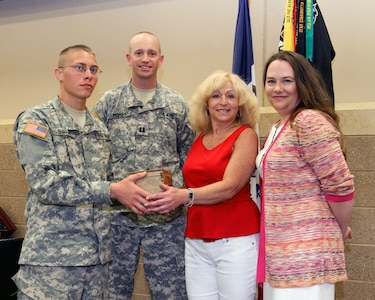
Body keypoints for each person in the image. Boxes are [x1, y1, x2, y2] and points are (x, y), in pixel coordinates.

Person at [12, 44, 151, 299]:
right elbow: (45, 183)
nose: (88, 75)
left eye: (94, 69)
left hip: (97, 263)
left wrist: (142, 196)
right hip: (52, 263)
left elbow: (108, 188)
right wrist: (112, 190)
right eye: (79, 68)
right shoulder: (37, 121)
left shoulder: (99, 127)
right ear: (59, 73)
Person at [92, 32, 194, 299]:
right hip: (118, 218)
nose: (145, 59)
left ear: (161, 59)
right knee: (112, 292)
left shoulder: (176, 104)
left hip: (166, 221)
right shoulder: (108, 104)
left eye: (151, 53)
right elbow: (96, 157)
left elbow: (188, 157)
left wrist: (176, 195)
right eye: (139, 53)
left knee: (171, 292)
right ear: (129, 58)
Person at [146, 70, 261, 300]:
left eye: (231, 96)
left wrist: (183, 196)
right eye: (216, 96)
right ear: (206, 103)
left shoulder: (246, 136)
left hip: (236, 239)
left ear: (241, 104)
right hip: (197, 240)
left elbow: (229, 187)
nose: (223, 102)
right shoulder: (199, 137)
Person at [256, 51, 354, 300]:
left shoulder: (308, 121)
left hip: (306, 260)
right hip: (282, 257)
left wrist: (338, 229)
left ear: (302, 82)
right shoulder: (280, 126)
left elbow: (340, 187)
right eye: (271, 81)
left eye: (287, 80)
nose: (278, 88)